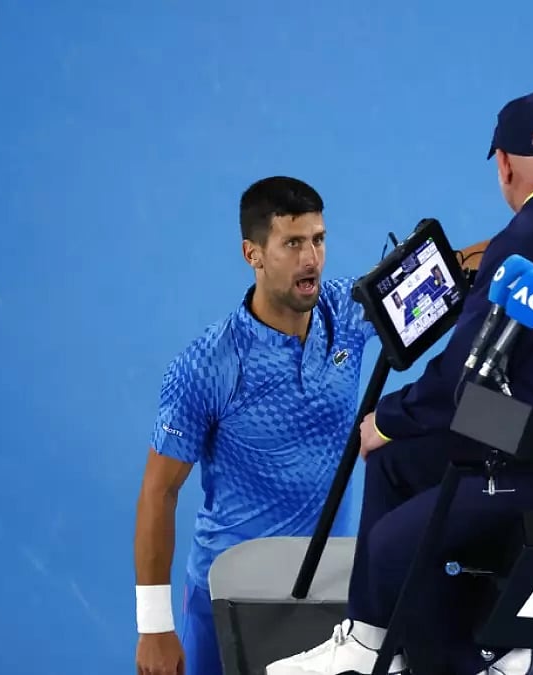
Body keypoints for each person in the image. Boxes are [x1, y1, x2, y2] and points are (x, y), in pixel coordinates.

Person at [265, 91, 533, 675]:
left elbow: (456, 381)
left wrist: (384, 419)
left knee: (391, 536)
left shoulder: (529, 240)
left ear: (506, 165)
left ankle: (493, 663)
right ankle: (367, 642)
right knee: (401, 458)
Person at [132, 176, 382, 675]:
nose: (311, 258)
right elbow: (159, 493)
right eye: (292, 243)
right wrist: (155, 627)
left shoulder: (347, 312)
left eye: (318, 239)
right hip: (232, 596)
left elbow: (451, 269)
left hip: (327, 591)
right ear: (254, 254)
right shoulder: (209, 364)